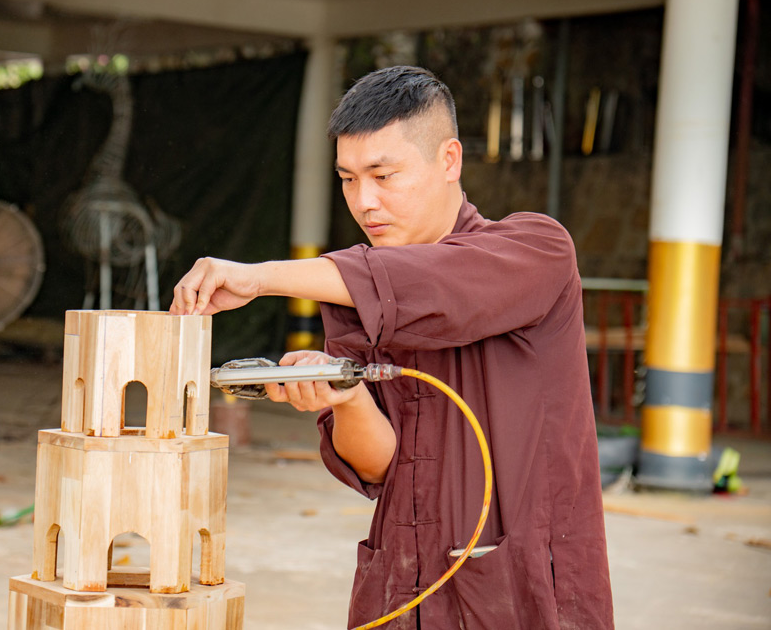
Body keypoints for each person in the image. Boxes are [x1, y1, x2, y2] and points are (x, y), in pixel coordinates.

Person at [170, 65, 613, 630]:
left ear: (449, 160)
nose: (365, 201)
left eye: (383, 175)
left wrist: (258, 277)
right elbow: (383, 468)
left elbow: (436, 287)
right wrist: (345, 398)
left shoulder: (537, 248)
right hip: (401, 585)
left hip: (520, 590)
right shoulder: (358, 287)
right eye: (349, 179)